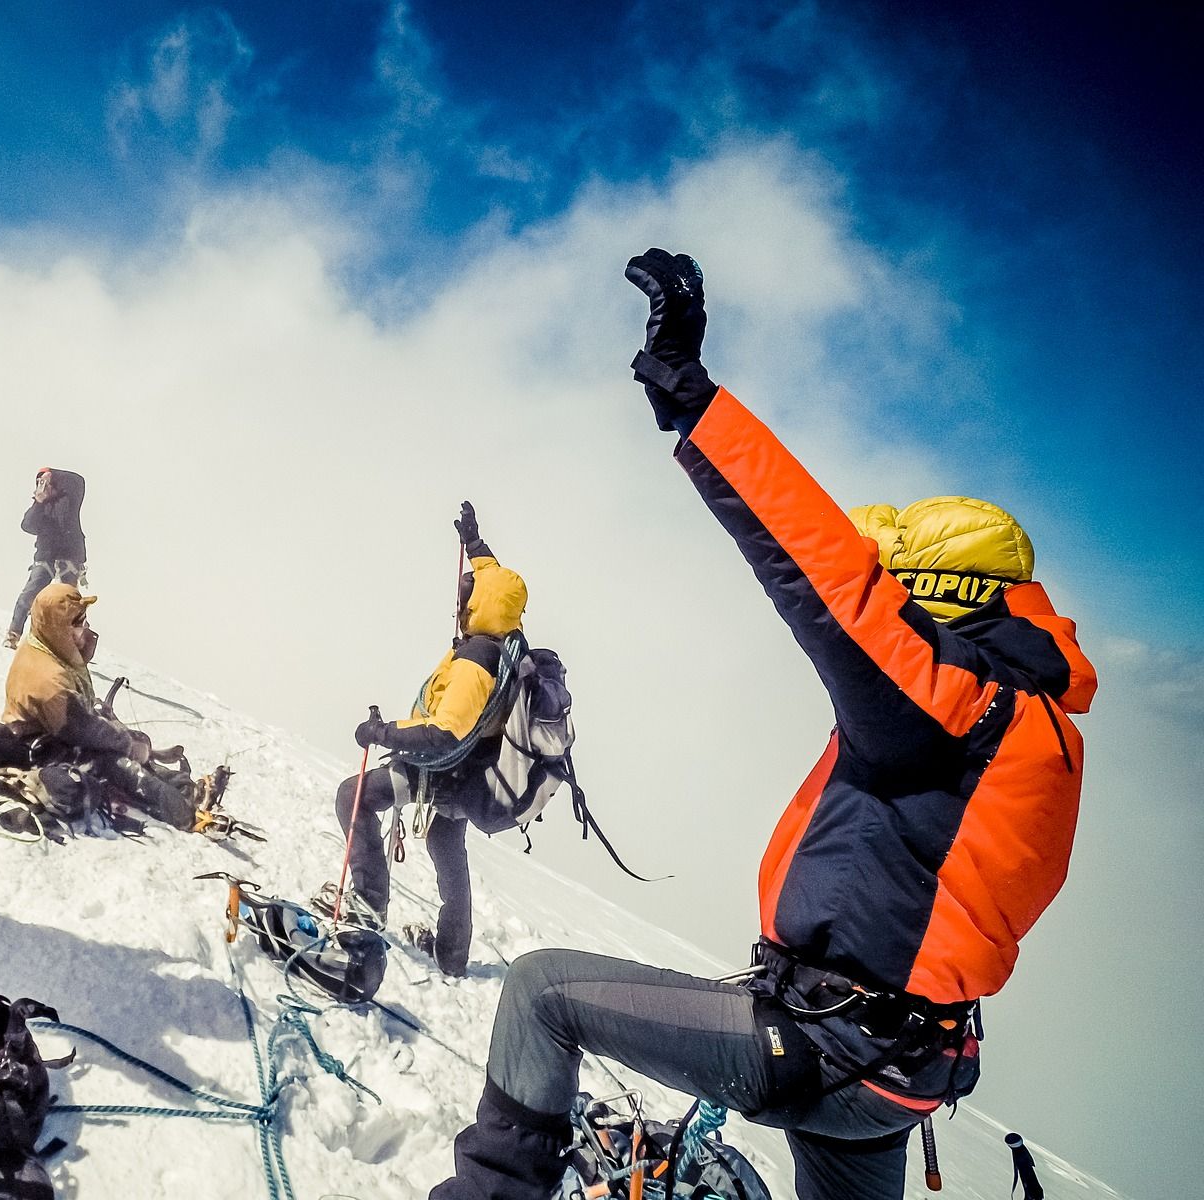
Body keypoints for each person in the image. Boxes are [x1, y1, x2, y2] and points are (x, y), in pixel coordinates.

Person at [432, 249, 1096, 1200]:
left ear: (943, 596)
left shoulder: (949, 701)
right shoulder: (1042, 724)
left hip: (824, 1045)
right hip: (907, 1069)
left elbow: (827, 573)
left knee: (542, 993)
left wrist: (688, 395)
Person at [334, 502, 527, 978]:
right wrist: (475, 543)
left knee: (353, 796)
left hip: (441, 773)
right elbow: (493, 580)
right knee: (446, 845)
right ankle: (452, 956)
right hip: (473, 776)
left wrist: (379, 732)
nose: (461, 599)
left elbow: (441, 735)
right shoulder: (508, 635)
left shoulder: (475, 663)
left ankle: (367, 912)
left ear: (480, 605)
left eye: (467, 594)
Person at [2, 582, 198, 831]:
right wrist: (126, 743)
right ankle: (183, 814)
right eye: (77, 621)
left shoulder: (48, 645)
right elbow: (81, 729)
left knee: (128, 745)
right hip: (41, 748)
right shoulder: (46, 677)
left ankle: (177, 785)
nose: (85, 625)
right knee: (116, 764)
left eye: (83, 618)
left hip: (58, 733)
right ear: (57, 626)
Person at [5, 468, 86, 649]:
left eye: (46, 482)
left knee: (70, 604)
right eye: (39, 482)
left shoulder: (69, 499)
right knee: (29, 595)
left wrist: (52, 473)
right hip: (46, 558)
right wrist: (39, 502)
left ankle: (74, 645)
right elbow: (27, 525)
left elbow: (78, 481)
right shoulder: (41, 507)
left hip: (69, 558)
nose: (43, 485)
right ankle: (13, 634)